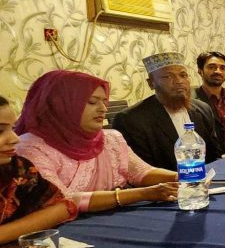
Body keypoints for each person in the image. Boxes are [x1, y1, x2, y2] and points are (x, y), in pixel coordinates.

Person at [16, 71, 179, 213]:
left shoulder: (110, 139)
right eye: (92, 102)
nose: (103, 109)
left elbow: (142, 173)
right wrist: (143, 194)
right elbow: (58, 200)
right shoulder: (31, 148)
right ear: (60, 104)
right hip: (67, 227)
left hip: (116, 214)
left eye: (104, 101)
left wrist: (184, 177)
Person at [113, 52, 222, 171]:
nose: (179, 81)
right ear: (151, 83)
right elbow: (141, 171)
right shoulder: (131, 120)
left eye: (183, 75)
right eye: (168, 76)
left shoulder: (203, 109)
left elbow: (214, 156)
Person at [0, 95, 77, 244]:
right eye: (0, 131)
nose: (15, 139)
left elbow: (61, 208)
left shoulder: (17, 168)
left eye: (13, 128)